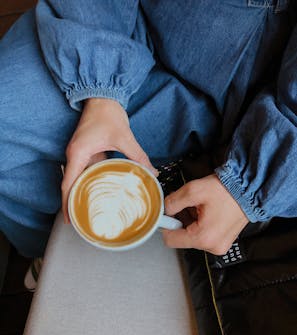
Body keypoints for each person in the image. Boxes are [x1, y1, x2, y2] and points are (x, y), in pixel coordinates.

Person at [0, 0, 296, 260]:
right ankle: (46, 254)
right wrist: (101, 93)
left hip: (270, 97)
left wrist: (255, 184)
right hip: (131, 29)